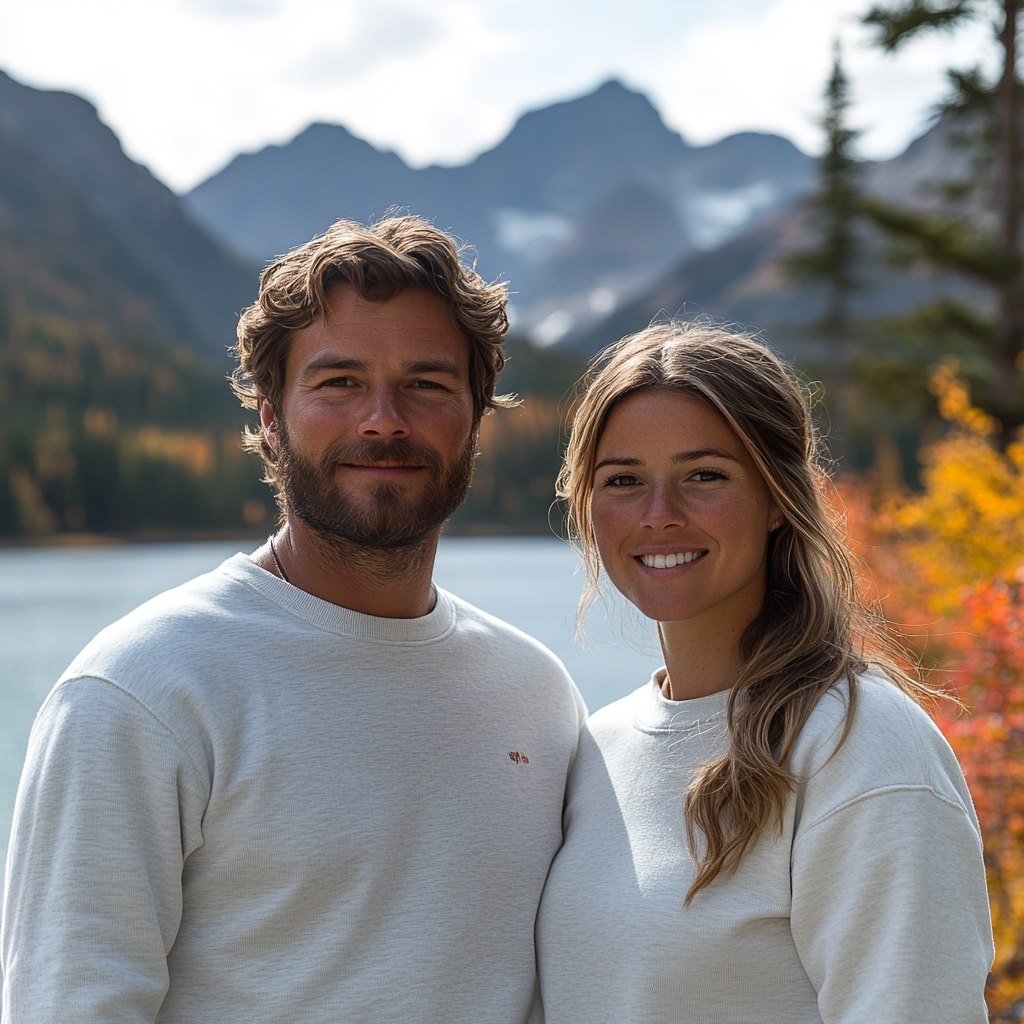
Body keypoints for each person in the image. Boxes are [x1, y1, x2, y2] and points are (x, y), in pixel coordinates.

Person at [2, 215, 586, 1023]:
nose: (384, 419)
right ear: (271, 418)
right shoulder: (139, 691)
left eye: (426, 384)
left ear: (476, 420)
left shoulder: (537, 694)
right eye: (338, 382)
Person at [536, 323, 994, 1023]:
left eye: (704, 476)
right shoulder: (597, 748)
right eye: (623, 481)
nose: (660, 515)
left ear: (779, 497)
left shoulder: (860, 746)